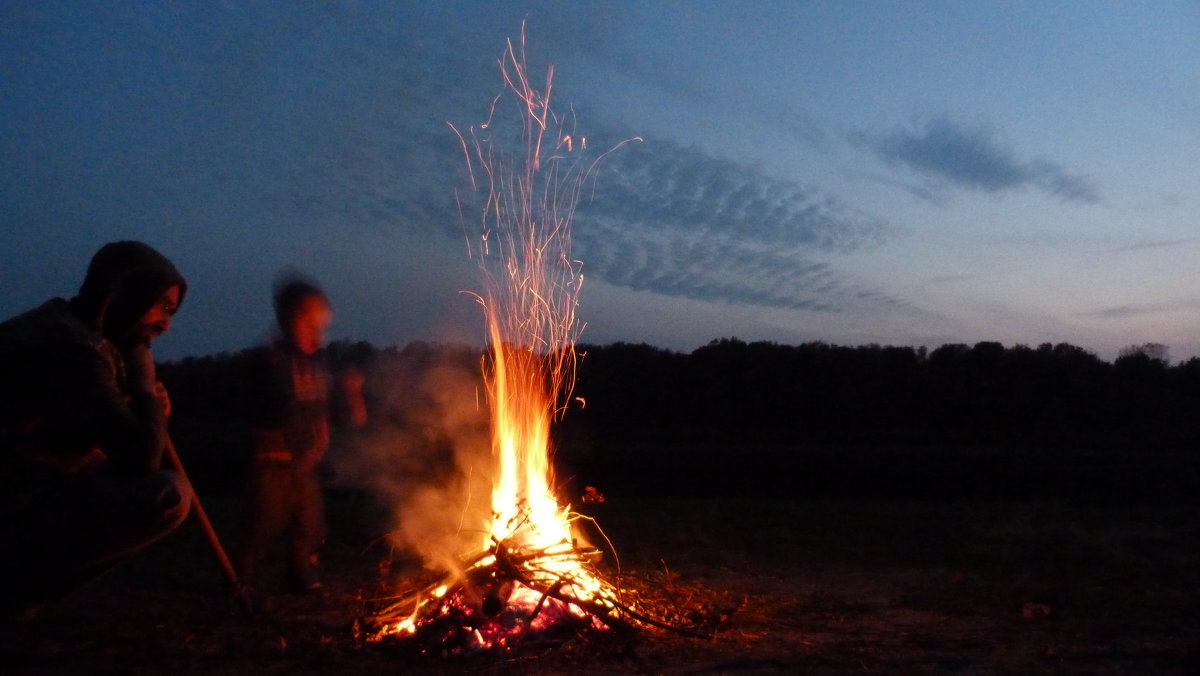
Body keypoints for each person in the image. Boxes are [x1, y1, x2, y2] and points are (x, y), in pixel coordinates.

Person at [0, 241, 192, 621]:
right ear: (125, 296)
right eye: (162, 307)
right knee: (167, 495)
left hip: (23, 481)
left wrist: (139, 407)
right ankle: (11, 596)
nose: (167, 324)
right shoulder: (72, 347)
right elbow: (141, 456)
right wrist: (144, 386)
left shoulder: (75, 332)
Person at [238, 277, 365, 595]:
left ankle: (300, 577)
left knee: (309, 525)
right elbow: (258, 407)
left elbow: (330, 408)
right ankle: (240, 575)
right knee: (264, 522)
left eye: (321, 324)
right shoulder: (272, 362)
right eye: (309, 323)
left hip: (305, 463)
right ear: (289, 320)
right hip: (273, 462)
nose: (317, 332)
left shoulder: (316, 364)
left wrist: (352, 396)